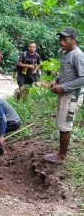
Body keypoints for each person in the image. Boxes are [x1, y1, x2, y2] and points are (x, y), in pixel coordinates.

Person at [44, 27, 84, 164]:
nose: (61, 42)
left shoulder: (77, 55)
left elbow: (82, 78)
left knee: (65, 125)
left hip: (72, 96)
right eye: (60, 39)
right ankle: (61, 153)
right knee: (62, 124)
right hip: (65, 94)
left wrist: (63, 87)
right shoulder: (67, 53)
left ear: (73, 39)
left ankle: (62, 156)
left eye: (65, 39)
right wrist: (56, 80)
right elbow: (66, 72)